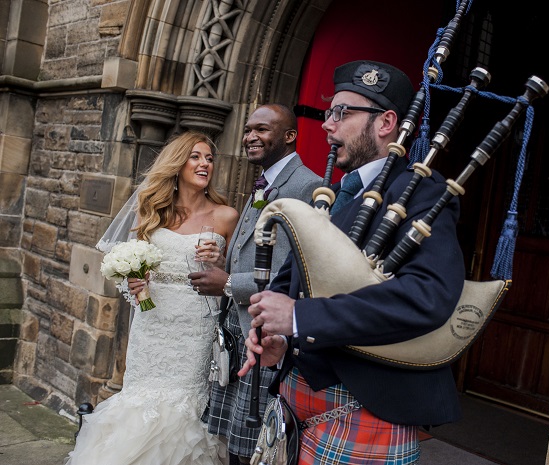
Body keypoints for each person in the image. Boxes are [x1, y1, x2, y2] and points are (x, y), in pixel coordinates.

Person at [239, 60, 466, 464]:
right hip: (297, 397)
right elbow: (296, 277)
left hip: (365, 403)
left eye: (343, 113)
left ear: (385, 123)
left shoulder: (422, 194)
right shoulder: (336, 194)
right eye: (330, 113)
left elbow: (428, 295)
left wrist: (299, 318)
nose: (328, 125)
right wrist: (278, 332)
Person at [67, 131, 238, 465]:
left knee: (185, 406)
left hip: (196, 329)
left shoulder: (226, 216)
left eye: (209, 158)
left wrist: (219, 262)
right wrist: (135, 284)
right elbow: (131, 266)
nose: (205, 163)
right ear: (177, 164)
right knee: (140, 402)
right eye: (196, 156)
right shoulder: (151, 209)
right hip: (153, 325)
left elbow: (233, 277)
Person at [188, 104, 322, 464]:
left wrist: (229, 281)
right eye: (248, 130)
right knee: (231, 442)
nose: (250, 137)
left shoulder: (308, 185)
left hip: (263, 330)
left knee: (251, 447)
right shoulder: (264, 180)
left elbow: (292, 270)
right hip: (237, 327)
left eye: (261, 130)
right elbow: (255, 250)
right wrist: (224, 261)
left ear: (290, 136)